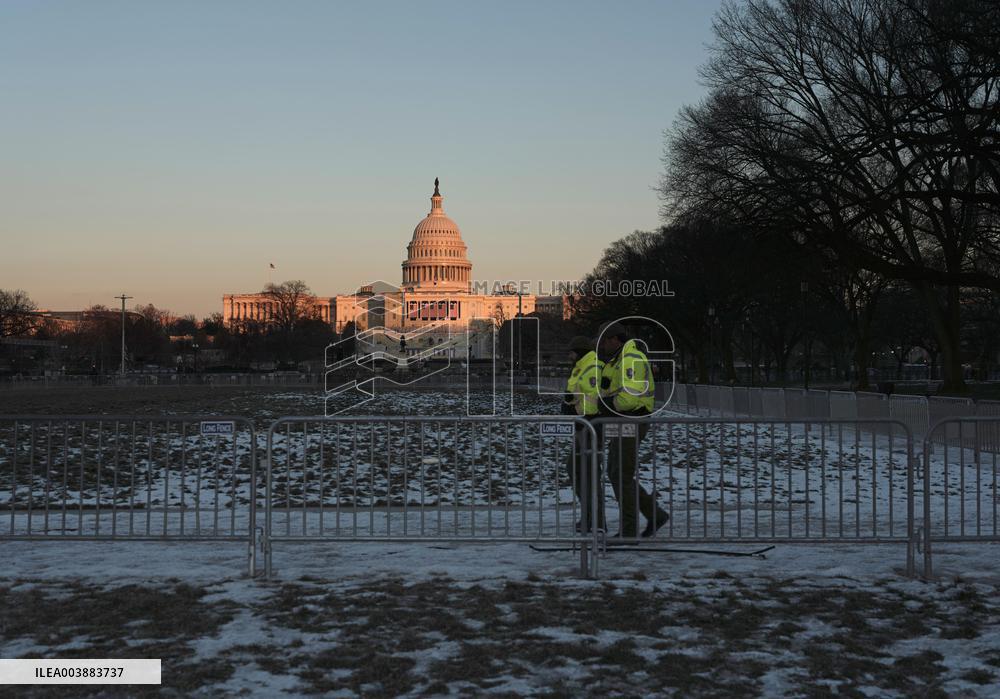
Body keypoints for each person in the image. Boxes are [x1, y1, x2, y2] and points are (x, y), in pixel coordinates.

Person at [598, 322, 669, 539]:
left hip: (631, 420)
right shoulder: (617, 361)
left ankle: (629, 530)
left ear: (615, 339)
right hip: (622, 421)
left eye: (605, 341)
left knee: (621, 474)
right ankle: (654, 514)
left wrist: (607, 404)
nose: (602, 346)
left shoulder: (631, 360)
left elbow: (629, 398)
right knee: (617, 473)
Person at [561, 335, 606, 532]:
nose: (569, 356)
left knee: (589, 474)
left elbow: (594, 397)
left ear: (578, 352)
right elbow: (577, 394)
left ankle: (595, 520)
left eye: (571, 352)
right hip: (582, 425)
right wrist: (568, 403)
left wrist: (575, 408)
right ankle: (589, 515)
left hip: (590, 426)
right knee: (576, 469)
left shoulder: (592, 367)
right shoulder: (581, 368)